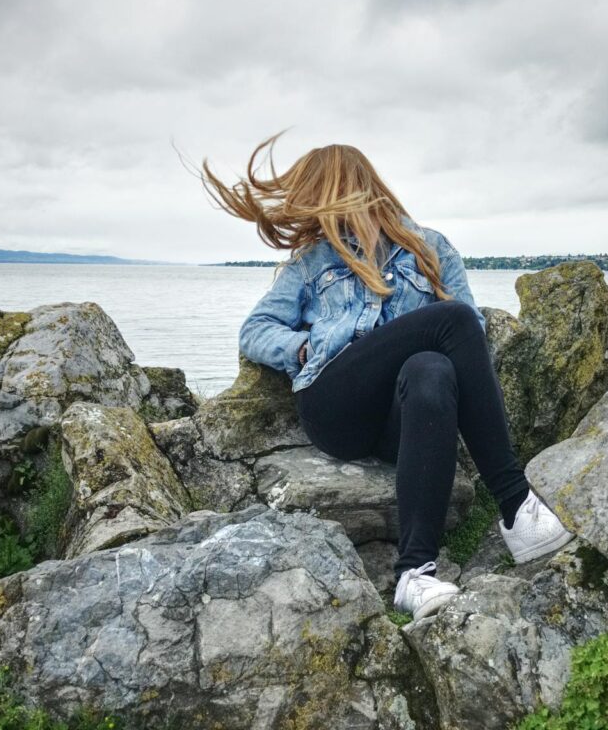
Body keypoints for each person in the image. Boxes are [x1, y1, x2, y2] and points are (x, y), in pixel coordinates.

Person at [195, 131, 575, 622]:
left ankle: (415, 574)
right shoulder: (312, 261)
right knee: (452, 318)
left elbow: (470, 339)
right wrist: (300, 345)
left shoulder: (431, 247)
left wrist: (422, 344)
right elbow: (255, 330)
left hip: (404, 421)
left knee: (433, 366)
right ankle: (514, 502)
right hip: (337, 407)